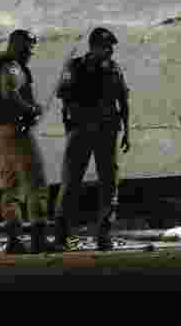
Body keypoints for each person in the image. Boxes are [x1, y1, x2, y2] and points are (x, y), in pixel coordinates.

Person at [0, 29, 56, 254]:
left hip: (0, 132)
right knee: (36, 184)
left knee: (10, 188)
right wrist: (31, 110)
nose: (31, 53)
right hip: (19, 131)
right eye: (28, 48)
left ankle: (14, 241)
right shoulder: (12, 67)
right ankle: (39, 239)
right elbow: (10, 93)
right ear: (18, 46)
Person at [53, 27, 131, 251]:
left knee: (109, 183)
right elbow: (64, 95)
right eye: (107, 47)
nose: (110, 52)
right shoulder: (75, 66)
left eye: (111, 48)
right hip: (81, 132)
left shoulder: (114, 69)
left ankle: (104, 235)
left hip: (106, 133)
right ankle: (62, 236)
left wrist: (127, 131)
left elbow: (123, 100)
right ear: (95, 46)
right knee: (70, 182)